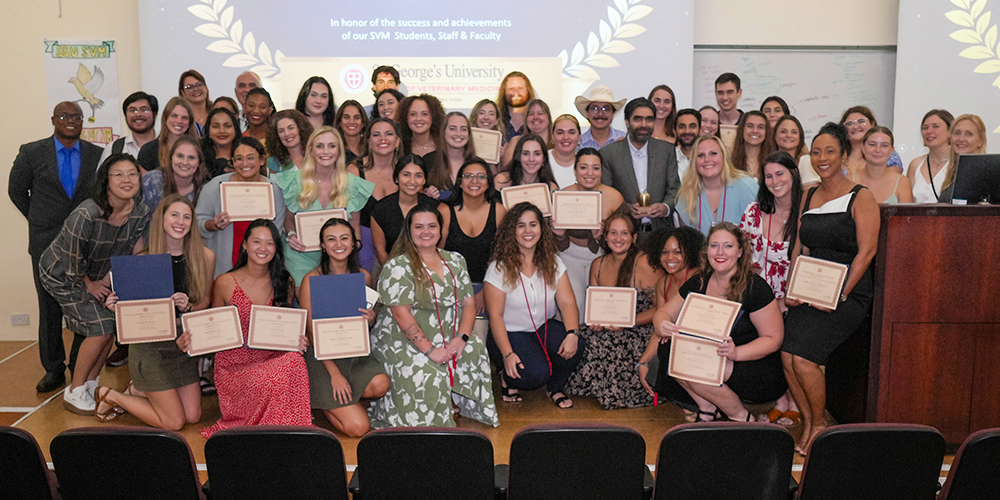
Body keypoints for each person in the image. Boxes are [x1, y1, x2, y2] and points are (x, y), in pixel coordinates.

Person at [782, 122, 879, 454]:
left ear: (843, 154)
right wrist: (791, 288)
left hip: (848, 292)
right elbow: (800, 246)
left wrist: (839, 295)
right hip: (809, 289)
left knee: (805, 359)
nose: (822, 158)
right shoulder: (808, 194)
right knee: (787, 354)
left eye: (830, 151)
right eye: (817, 151)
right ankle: (809, 421)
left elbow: (866, 252)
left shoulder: (861, 196)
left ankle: (821, 426)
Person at [39, 154, 151, 414]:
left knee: (112, 325)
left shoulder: (141, 211)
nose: (127, 179)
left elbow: (133, 250)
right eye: (118, 174)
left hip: (100, 274)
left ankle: (91, 383)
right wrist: (90, 284)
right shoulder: (87, 213)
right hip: (62, 273)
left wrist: (119, 278)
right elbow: (72, 258)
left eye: (132, 174)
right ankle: (75, 391)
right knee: (99, 326)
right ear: (106, 181)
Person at [371, 205, 499, 427]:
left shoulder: (456, 260)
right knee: (424, 368)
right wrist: (430, 350)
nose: (426, 232)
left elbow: (468, 303)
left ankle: (453, 399)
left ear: (441, 230)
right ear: (408, 231)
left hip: (448, 329)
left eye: (432, 226)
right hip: (401, 336)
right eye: (418, 227)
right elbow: (401, 315)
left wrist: (462, 338)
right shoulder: (397, 266)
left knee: (475, 348)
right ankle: (430, 416)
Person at [648, 223, 787, 422]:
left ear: (740, 252)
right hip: (713, 357)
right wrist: (662, 325)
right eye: (714, 246)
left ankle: (740, 416)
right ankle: (707, 407)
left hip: (754, 366)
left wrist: (737, 353)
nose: (720, 252)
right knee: (670, 349)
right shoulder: (699, 282)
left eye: (728, 246)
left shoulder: (755, 287)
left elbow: (774, 339)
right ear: (707, 251)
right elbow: (662, 313)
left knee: (696, 364)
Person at [186, 219, 311, 438]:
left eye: (270, 243)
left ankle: (290, 433)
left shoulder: (284, 281)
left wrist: (298, 340)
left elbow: (288, 327)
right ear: (244, 245)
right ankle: (279, 432)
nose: (263, 248)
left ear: (276, 248)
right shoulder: (225, 282)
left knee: (295, 360)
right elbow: (213, 327)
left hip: (272, 359)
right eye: (256, 242)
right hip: (234, 367)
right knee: (288, 367)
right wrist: (192, 338)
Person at [96, 194, 213, 429]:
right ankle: (112, 395)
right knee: (174, 422)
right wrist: (114, 305)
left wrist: (187, 306)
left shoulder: (205, 257)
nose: (181, 222)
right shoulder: (144, 259)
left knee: (193, 415)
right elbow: (130, 309)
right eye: (175, 215)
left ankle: (136, 389)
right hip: (151, 347)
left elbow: (204, 304)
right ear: (161, 219)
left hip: (183, 346)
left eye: (187, 217)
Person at [8, 101, 102, 393]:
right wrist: (39, 220)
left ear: (83, 121)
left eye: (76, 116)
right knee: (48, 308)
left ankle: (78, 365)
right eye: (64, 116)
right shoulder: (31, 152)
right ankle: (53, 368)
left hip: (84, 243)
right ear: (53, 119)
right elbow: (16, 191)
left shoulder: (96, 154)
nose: (70, 121)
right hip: (44, 243)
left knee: (81, 305)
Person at [485, 203, 583, 408]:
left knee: (577, 344)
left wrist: (572, 333)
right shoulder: (499, 267)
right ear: (512, 231)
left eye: (533, 224)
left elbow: (567, 302)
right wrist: (508, 354)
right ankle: (506, 375)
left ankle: (555, 389)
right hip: (510, 333)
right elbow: (495, 316)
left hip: (542, 327)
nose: (528, 231)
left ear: (541, 229)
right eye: (520, 226)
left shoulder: (553, 261)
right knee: (535, 375)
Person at [299, 218, 390, 436]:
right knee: (358, 428)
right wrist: (334, 374)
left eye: (344, 238)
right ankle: (326, 404)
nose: (338, 244)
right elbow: (310, 330)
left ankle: (340, 400)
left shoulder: (363, 277)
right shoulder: (310, 279)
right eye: (331, 239)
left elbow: (365, 319)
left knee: (381, 384)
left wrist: (370, 318)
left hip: (353, 353)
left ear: (353, 243)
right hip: (322, 357)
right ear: (322, 245)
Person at [565, 212, 664, 409]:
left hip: (640, 328)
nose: (618, 239)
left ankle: (617, 389)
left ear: (634, 237)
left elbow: (662, 310)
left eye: (624, 233)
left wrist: (629, 321)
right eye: (613, 233)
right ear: (605, 236)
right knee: (581, 336)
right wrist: (597, 323)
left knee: (612, 343)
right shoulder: (598, 264)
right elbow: (595, 308)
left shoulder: (644, 263)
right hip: (609, 327)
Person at [740, 151, 804, 425]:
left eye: (780, 173)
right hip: (759, 297)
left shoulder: (806, 213)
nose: (775, 180)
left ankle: (795, 402)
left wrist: (786, 299)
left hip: (796, 297)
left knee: (793, 345)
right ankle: (780, 400)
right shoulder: (754, 211)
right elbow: (742, 256)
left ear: (793, 174)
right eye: (769, 176)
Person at [279, 127, 373, 286]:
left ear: (339, 151)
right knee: (307, 307)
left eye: (332, 146)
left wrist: (351, 249)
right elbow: (288, 220)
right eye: (320, 146)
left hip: (338, 259)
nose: (326, 151)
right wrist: (292, 236)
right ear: (311, 151)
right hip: (301, 257)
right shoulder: (294, 181)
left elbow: (354, 226)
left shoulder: (353, 184)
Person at [196, 136, 286, 279]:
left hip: (262, 263)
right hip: (224, 264)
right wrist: (213, 224)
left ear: (262, 160)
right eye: (238, 158)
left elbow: (277, 231)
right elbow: (197, 222)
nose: (245, 163)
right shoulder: (215, 186)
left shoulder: (273, 190)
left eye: (250, 158)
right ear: (232, 162)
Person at [554, 149, 626, 324]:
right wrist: (561, 235)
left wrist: (602, 237)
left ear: (601, 171)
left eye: (595, 168)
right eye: (584, 167)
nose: (589, 173)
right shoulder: (563, 195)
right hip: (569, 254)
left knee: (601, 306)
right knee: (576, 304)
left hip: (603, 257)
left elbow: (625, 234)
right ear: (575, 170)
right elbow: (554, 241)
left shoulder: (614, 197)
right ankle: (574, 343)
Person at [640, 226, 704, 420]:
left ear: (690, 253)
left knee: (665, 360)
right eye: (665, 252)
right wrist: (643, 361)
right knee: (650, 372)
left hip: (699, 348)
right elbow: (658, 329)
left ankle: (703, 404)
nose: (670, 257)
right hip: (673, 347)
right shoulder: (663, 283)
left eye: (678, 252)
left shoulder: (698, 278)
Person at [599, 98, 681, 234]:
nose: (644, 124)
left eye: (649, 119)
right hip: (625, 234)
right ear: (627, 122)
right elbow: (607, 194)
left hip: (661, 233)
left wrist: (665, 207)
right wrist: (627, 209)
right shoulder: (609, 154)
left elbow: (675, 188)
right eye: (638, 119)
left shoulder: (666, 150)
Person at [442, 160, 507, 313]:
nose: (474, 181)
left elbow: (504, 255)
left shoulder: (498, 211)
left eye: (481, 177)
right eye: (468, 176)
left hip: (488, 289)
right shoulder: (445, 210)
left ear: (489, 183)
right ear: (459, 182)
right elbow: (435, 255)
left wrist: (486, 291)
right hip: (449, 290)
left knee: (478, 333)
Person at [676, 135, 759, 235]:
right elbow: (687, 242)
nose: (707, 159)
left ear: (724, 157)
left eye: (713, 153)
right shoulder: (686, 194)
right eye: (701, 155)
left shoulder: (747, 186)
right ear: (694, 161)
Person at [353, 118, 405, 275]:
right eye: (376, 134)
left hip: (401, 243)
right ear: (368, 142)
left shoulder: (408, 170)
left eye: (389, 134)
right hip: (364, 244)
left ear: (397, 142)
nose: (383, 138)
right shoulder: (355, 170)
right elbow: (352, 216)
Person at [371, 154, 438, 265]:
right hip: (391, 269)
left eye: (418, 175)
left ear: (424, 180)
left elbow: (439, 247)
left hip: (429, 269)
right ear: (397, 178)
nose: (412, 181)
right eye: (406, 175)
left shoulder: (434, 207)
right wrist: (396, 274)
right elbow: (380, 251)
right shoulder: (381, 209)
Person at [142, 135, 210, 211]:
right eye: (180, 156)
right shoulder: (152, 180)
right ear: (171, 158)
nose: (185, 162)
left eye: (191, 158)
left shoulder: (207, 190)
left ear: (199, 163)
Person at [851, 127, 913, 204]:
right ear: (863, 148)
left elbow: (907, 216)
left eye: (884, 145)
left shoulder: (902, 182)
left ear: (891, 151)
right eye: (872, 144)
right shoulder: (849, 180)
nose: (877, 150)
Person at [137, 97, 197, 174]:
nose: (179, 121)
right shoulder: (148, 151)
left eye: (184, 118)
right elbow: (146, 184)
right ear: (165, 118)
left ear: (190, 122)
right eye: (174, 116)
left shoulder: (201, 148)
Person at [906, 109, 954, 203]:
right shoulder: (915, 164)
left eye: (936, 126)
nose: (929, 131)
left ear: (950, 132)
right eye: (925, 128)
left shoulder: (957, 163)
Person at [939, 114, 989, 203]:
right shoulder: (952, 173)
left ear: (980, 141)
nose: (961, 138)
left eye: (969, 134)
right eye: (957, 133)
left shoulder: (986, 175)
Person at [840, 106, 902, 175]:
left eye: (861, 121)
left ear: (872, 124)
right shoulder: (837, 155)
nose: (855, 126)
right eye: (849, 123)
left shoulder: (887, 153)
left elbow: (892, 181)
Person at [100, 91, 158, 165]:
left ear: (155, 115)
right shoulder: (114, 149)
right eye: (132, 110)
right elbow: (102, 176)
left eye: (144, 110)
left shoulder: (168, 145)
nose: (138, 114)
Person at [427, 112, 476, 191]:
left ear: (469, 134)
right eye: (453, 129)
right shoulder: (429, 161)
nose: (459, 134)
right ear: (444, 132)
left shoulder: (478, 164)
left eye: (463, 129)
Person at [500, 99, 554, 170]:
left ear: (549, 118)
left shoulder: (558, 143)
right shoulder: (516, 141)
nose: (535, 117)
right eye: (531, 114)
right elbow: (504, 171)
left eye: (540, 113)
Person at [494, 134, 559, 191]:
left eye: (537, 154)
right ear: (518, 157)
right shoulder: (501, 181)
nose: (531, 159)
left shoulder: (551, 188)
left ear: (544, 159)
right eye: (526, 154)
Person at [576, 85, 627, 150]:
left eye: (606, 109)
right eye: (595, 108)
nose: (600, 114)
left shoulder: (625, 141)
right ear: (587, 113)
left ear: (613, 114)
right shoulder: (578, 144)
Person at [397, 94, 446, 162]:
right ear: (405, 118)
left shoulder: (445, 147)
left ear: (434, 117)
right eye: (413, 114)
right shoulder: (398, 148)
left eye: (425, 114)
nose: (418, 118)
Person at [265, 109, 313, 174]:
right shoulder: (273, 163)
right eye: (281, 131)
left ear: (300, 128)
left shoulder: (316, 155)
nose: (287, 134)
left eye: (291, 128)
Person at [731, 111, 775, 177]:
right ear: (742, 129)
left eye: (761, 127)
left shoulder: (774, 162)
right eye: (750, 126)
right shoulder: (729, 163)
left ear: (766, 132)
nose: (755, 131)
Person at [201, 107, 242, 178]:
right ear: (208, 129)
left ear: (235, 128)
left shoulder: (246, 152)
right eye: (215, 126)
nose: (222, 131)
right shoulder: (199, 155)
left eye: (227, 126)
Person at [496, 71, 535, 140]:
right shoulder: (495, 120)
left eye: (520, 88)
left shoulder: (538, 120)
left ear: (528, 90)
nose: (516, 92)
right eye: (511, 89)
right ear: (504, 91)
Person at [548, 114, 582, 188]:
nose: (566, 137)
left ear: (579, 137)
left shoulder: (584, 163)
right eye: (560, 133)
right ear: (552, 136)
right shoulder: (541, 160)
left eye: (571, 132)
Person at [335, 99, 368, 164]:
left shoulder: (370, 148)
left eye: (357, 117)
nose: (351, 122)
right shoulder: (334, 149)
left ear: (363, 123)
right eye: (346, 117)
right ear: (340, 122)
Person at [179, 69, 212, 135]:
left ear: (206, 88)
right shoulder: (181, 119)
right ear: (183, 93)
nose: (196, 89)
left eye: (199, 85)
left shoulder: (216, 113)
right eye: (189, 87)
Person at [674, 109, 701, 180]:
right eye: (682, 127)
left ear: (700, 129)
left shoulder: (708, 159)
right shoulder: (669, 158)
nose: (687, 131)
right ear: (675, 130)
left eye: (692, 126)